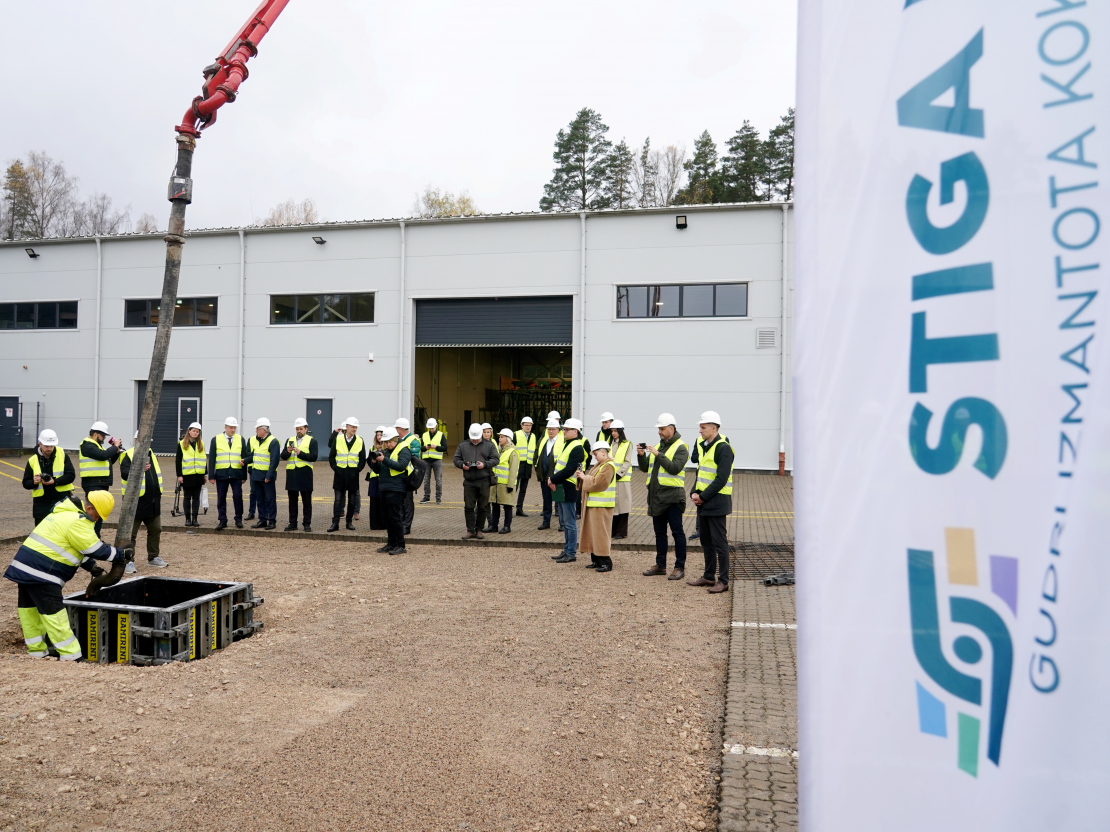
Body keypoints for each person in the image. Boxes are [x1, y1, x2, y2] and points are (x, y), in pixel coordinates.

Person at [5, 490, 132, 661]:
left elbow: (72, 546)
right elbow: (95, 549)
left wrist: (91, 567)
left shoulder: (64, 514)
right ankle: (71, 656)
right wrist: (122, 554)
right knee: (55, 614)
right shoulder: (78, 521)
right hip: (43, 573)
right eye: (97, 516)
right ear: (89, 508)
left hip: (25, 569)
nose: (97, 520)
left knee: (30, 612)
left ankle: (36, 652)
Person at [638, 413, 690, 581]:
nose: (659, 432)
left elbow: (674, 468)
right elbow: (645, 468)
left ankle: (679, 567)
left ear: (671, 429)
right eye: (659, 429)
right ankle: (660, 565)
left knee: (677, 533)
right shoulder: (658, 446)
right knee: (660, 533)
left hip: (673, 498)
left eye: (662, 429)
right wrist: (641, 455)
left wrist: (657, 454)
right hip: (657, 497)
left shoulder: (681, 447)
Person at [688, 411, 734, 594]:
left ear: (714, 428)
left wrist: (703, 497)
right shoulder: (705, 446)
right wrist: (694, 492)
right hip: (704, 502)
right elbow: (701, 472)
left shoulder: (723, 448)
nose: (700, 430)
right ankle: (708, 576)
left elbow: (721, 478)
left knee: (719, 543)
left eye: (703, 427)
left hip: (717, 502)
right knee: (706, 541)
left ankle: (723, 580)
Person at [120, 433, 168, 571]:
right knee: (130, 534)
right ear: (136, 441)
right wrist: (139, 468)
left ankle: (153, 557)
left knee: (156, 529)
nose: (146, 444)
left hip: (152, 501)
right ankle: (128, 561)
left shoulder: (152, 454)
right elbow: (124, 473)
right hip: (135, 503)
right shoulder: (128, 455)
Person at [575, 440, 617, 572]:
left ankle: (605, 562)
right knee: (593, 533)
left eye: (596, 454)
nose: (595, 457)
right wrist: (582, 477)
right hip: (595, 504)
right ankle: (596, 560)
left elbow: (599, 483)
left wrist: (584, 477)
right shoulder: (600, 465)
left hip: (602, 505)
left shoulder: (608, 466)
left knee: (600, 534)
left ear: (603, 452)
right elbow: (593, 481)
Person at [549, 418, 586, 563]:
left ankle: (571, 552)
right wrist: (554, 479)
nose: (564, 431)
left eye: (567, 429)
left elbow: (569, 469)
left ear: (575, 431)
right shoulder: (568, 444)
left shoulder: (577, 447)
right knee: (565, 522)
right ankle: (567, 550)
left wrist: (553, 479)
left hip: (569, 487)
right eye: (564, 429)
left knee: (569, 522)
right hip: (563, 486)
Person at [370, 427, 411, 554]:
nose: (388, 444)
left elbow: (401, 466)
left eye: (390, 442)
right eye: (386, 442)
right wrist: (374, 461)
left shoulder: (404, 449)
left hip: (396, 488)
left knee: (395, 517)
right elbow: (378, 470)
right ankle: (391, 543)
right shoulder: (386, 451)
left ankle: (401, 545)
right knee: (387, 517)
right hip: (384, 487)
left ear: (395, 440)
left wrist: (384, 460)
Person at [455, 423, 499, 539]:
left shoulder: (489, 445)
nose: (475, 440)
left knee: (482, 507)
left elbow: (496, 459)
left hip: (484, 480)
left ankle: (479, 529)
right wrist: (462, 465)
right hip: (469, 481)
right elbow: (456, 459)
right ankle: (470, 530)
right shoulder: (463, 445)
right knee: (469, 506)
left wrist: (484, 464)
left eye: (477, 438)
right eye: (473, 438)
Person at [23, 430, 76, 526]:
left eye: (51, 446)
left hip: (61, 500)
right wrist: (34, 482)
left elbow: (71, 475)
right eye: (46, 446)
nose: (49, 449)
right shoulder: (32, 460)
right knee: (41, 532)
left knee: (62, 530)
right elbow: (25, 483)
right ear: (40, 444)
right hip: (42, 504)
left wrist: (55, 481)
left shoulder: (62, 455)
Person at [209, 417, 248, 530]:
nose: (233, 430)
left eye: (234, 428)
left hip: (236, 474)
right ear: (225, 427)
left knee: (238, 497)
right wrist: (211, 475)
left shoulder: (241, 439)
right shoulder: (216, 439)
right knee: (221, 498)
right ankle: (222, 520)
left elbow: (244, 458)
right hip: (222, 474)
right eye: (231, 428)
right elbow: (212, 459)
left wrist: (244, 476)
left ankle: (238, 519)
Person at [328, 417, 365, 532]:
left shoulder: (360, 440)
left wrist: (357, 470)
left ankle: (349, 522)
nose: (354, 429)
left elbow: (362, 458)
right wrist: (335, 468)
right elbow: (332, 456)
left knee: (352, 500)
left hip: (353, 474)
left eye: (356, 427)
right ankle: (335, 523)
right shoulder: (338, 439)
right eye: (353, 427)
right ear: (347, 427)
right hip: (340, 473)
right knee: (338, 500)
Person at [280, 418, 318, 532]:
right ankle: (293, 523)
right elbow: (283, 456)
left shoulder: (312, 441)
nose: (299, 431)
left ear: (306, 429)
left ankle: (307, 523)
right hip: (292, 474)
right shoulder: (290, 440)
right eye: (297, 429)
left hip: (305, 474)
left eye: (301, 429)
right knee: (292, 502)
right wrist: (288, 452)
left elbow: (314, 457)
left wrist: (300, 453)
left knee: (306, 501)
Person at [78, 421, 122, 503]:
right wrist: (115, 447)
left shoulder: (97, 446)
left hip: (99, 482)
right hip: (93, 483)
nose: (104, 437)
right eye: (103, 435)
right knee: (94, 507)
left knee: (100, 507)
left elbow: (108, 461)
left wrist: (116, 452)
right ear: (95, 434)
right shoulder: (87, 445)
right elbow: (103, 455)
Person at [247, 418, 279, 530]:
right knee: (260, 500)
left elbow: (274, 461)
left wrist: (269, 475)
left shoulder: (273, 441)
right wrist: (245, 461)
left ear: (263, 430)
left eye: (257, 429)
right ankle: (262, 520)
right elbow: (254, 456)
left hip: (266, 476)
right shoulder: (257, 441)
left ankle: (272, 521)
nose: (256, 431)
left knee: (270, 499)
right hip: (256, 475)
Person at [487, 428, 519, 534]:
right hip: (496, 483)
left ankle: (507, 526)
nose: (499, 439)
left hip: (505, 484)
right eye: (499, 437)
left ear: (508, 439)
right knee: (495, 505)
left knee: (507, 506)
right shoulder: (498, 450)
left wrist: (511, 485)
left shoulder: (512, 452)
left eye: (502, 437)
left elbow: (513, 470)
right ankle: (494, 526)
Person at [175, 422, 207, 527]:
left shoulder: (201, 444)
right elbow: (178, 461)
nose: (195, 433)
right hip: (187, 475)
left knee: (196, 498)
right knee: (187, 497)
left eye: (197, 432)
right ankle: (188, 519)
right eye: (193, 431)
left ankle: (195, 519)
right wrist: (179, 475)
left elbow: (203, 459)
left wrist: (205, 474)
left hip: (198, 475)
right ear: (189, 431)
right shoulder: (181, 444)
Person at [395, 418, 422, 535]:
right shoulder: (399, 440)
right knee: (400, 501)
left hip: (408, 476)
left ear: (400, 429)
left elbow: (414, 459)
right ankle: (401, 523)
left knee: (407, 502)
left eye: (396, 428)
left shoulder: (413, 441)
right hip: (399, 474)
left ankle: (406, 525)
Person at [609, 420, 635, 540]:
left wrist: (619, 474)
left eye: (615, 431)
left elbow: (627, 462)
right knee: (613, 506)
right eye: (612, 431)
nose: (613, 433)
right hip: (611, 479)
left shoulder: (627, 444)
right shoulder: (609, 444)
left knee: (623, 506)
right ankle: (613, 531)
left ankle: (621, 532)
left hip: (622, 479)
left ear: (620, 431)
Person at [534, 419, 561, 531]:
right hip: (544, 475)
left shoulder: (562, 441)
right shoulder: (543, 440)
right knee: (546, 500)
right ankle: (546, 523)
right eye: (549, 429)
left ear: (558, 430)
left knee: (559, 500)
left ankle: (562, 524)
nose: (551, 431)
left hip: (556, 475)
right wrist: (537, 468)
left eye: (553, 429)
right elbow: (537, 454)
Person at [513, 417, 537, 518]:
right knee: (514, 488)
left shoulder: (533, 436)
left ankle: (519, 508)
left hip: (527, 465)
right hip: (518, 464)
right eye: (526, 425)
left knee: (523, 489)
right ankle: (509, 508)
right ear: (521, 426)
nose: (528, 427)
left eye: (530, 425)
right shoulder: (516, 434)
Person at [419, 418, 447, 504]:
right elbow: (421, 448)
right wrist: (425, 447)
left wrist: (436, 447)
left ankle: (438, 498)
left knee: (438, 479)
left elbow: (445, 448)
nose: (431, 429)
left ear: (436, 426)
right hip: (426, 460)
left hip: (437, 460)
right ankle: (426, 497)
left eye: (432, 428)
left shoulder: (441, 435)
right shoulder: (424, 435)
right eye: (430, 428)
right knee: (426, 479)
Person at [365, 426, 387, 531]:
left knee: (383, 501)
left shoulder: (387, 448)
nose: (379, 437)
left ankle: (383, 524)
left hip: (383, 477)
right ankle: (374, 524)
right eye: (377, 435)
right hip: (374, 478)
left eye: (381, 435)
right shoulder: (372, 448)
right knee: (374, 502)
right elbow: (369, 462)